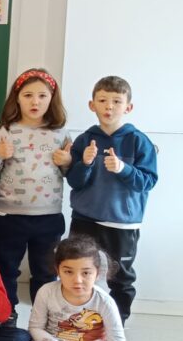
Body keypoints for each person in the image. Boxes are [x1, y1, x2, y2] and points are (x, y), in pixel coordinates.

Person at [66, 76, 158, 322]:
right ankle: (75, 324)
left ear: (128, 107)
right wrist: (85, 163)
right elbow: (74, 181)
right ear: (92, 105)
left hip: (122, 223)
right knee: (77, 272)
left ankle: (117, 327)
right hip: (84, 219)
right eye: (102, 100)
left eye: (116, 101)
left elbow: (148, 181)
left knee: (121, 278)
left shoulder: (139, 141)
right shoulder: (85, 139)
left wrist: (123, 169)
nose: (109, 106)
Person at [0, 68, 71, 315]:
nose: (35, 102)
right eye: (28, 95)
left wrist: (67, 162)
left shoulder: (60, 134)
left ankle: (43, 316)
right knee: (6, 269)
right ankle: (6, 314)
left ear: (52, 99)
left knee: (46, 272)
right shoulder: (5, 131)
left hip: (48, 217)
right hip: (9, 217)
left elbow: (71, 174)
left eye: (42, 96)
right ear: (17, 98)